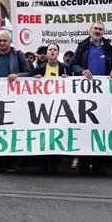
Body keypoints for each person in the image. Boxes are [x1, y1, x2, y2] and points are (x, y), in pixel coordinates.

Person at [71, 21, 112, 175]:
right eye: (95, 28)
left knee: (101, 127)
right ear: (89, 30)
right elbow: (74, 65)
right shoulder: (82, 46)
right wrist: (82, 71)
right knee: (85, 127)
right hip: (85, 93)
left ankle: (99, 165)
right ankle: (83, 165)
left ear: (104, 32)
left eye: (100, 29)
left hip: (103, 94)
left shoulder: (108, 47)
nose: (98, 31)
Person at [0, 30, 31, 172]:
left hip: (14, 99)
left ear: (9, 41)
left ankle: (11, 163)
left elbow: (28, 72)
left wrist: (17, 75)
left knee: (12, 129)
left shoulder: (18, 55)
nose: (2, 43)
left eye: (4, 41)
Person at [33, 42, 72, 174]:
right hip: (43, 107)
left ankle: (55, 165)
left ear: (58, 52)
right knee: (44, 135)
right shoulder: (39, 68)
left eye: (55, 50)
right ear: (47, 52)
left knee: (56, 136)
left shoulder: (65, 68)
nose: (52, 52)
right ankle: (43, 165)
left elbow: (73, 85)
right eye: (50, 49)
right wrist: (36, 79)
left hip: (59, 107)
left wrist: (68, 79)